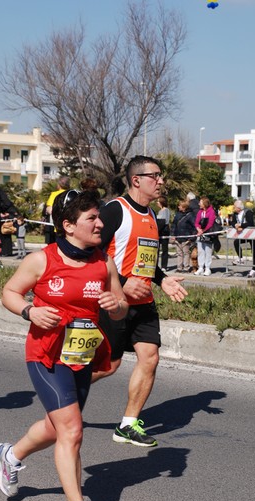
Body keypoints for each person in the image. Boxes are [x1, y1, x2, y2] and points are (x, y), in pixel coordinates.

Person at [0, 189, 128, 501]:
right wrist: (30, 310)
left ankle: (11, 454)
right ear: (68, 226)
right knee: (72, 430)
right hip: (45, 354)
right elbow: (9, 292)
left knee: (57, 427)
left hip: (81, 355)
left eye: (99, 217)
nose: (100, 224)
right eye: (92, 219)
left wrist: (117, 303)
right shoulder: (42, 260)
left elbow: (121, 304)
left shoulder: (104, 261)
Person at [91, 155, 188, 447]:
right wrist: (121, 283)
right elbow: (92, 256)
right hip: (114, 301)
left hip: (143, 302)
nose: (161, 181)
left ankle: (128, 425)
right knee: (109, 366)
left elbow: (144, 262)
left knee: (150, 357)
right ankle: (63, 391)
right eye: (155, 176)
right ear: (136, 180)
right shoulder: (114, 211)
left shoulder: (152, 216)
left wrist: (163, 279)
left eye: (162, 176)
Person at [231, 199, 255, 278]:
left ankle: (253, 269)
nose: (234, 208)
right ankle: (240, 258)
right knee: (236, 242)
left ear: (239, 208)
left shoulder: (248, 212)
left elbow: (250, 223)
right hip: (242, 235)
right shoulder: (235, 214)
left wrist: (241, 225)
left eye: (235, 207)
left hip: (252, 234)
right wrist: (236, 226)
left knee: (254, 251)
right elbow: (233, 222)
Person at [170, 198, 196, 273]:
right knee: (179, 253)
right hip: (178, 237)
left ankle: (186, 267)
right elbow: (174, 225)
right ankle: (179, 267)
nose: (178, 207)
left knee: (186, 253)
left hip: (186, 238)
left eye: (180, 206)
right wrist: (173, 234)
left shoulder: (190, 215)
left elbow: (194, 227)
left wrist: (191, 238)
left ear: (184, 207)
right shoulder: (177, 214)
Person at [44, 176, 71, 244]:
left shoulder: (54, 194)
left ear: (59, 185)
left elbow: (50, 209)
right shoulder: (71, 193)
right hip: (70, 226)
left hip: (57, 226)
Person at [194, 196, 216, 276]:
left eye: (200, 202)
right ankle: (200, 267)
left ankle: (207, 268)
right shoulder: (200, 212)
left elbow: (210, 223)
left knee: (208, 251)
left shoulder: (211, 211)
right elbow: (196, 222)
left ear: (204, 203)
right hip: (200, 234)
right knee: (200, 251)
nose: (199, 204)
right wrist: (198, 229)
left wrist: (203, 231)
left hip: (208, 234)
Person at [156, 197, 171, 271]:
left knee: (164, 249)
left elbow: (163, 222)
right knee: (157, 250)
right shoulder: (160, 211)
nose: (157, 203)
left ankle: (164, 266)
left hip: (164, 231)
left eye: (158, 201)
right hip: (159, 231)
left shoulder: (166, 210)